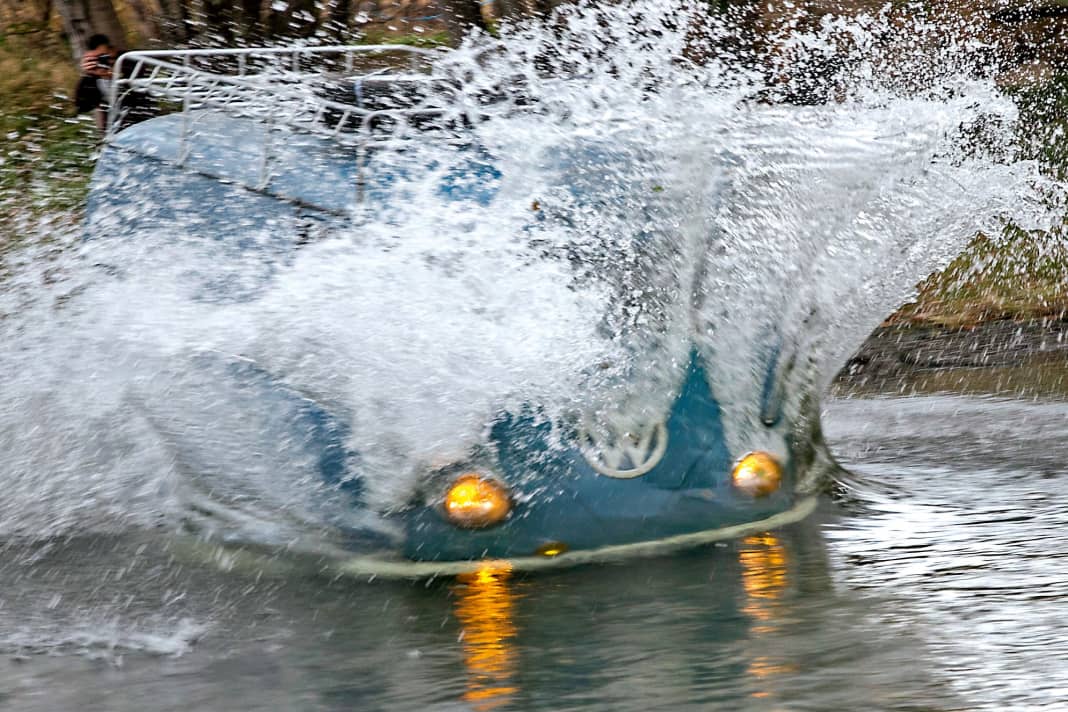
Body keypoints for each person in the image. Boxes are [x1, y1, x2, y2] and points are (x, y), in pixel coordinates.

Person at [79, 34, 115, 133]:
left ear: (112, 51)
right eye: (99, 58)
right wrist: (89, 75)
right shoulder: (90, 80)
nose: (104, 61)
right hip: (112, 131)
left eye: (105, 56)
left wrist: (113, 75)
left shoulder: (126, 63)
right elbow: (82, 107)